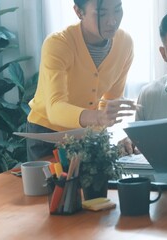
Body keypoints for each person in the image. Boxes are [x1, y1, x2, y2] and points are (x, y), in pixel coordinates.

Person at [26, 0, 137, 161]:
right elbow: (55, 108)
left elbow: (111, 100)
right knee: (50, 186)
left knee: (94, 184)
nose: (112, 20)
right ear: (78, 12)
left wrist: (106, 119)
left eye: (117, 10)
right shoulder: (58, 43)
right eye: (101, 13)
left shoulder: (125, 44)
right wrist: (98, 117)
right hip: (46, 133)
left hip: (87, 132)